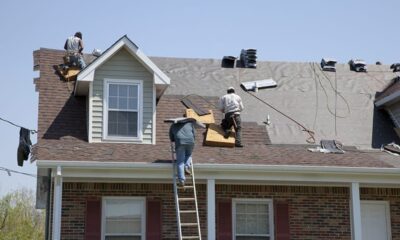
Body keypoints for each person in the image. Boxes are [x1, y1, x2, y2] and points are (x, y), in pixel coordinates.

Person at [169, 119, 196, 187]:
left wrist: (175, 138)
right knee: (188, 154)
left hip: (180, 142)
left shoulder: (173, 125)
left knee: (180, 162)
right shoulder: (190, 123)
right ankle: (186, 166)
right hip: (190, 141)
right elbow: (194, 133)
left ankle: (181, 180)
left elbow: (171, 137)